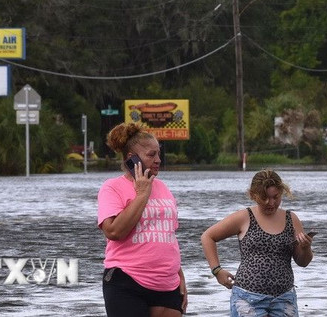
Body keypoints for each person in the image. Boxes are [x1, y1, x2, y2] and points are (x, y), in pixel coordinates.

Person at [97, 122, 188, 316]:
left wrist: (179, 275)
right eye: (151, 155)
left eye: (159, 154)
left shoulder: (163, 188)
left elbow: (168, 236)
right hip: (127, 281)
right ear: (132, 158)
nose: (158, 160)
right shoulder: (112, 187)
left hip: (167, 284)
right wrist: (142, 194)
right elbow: (113, 231)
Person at [201, 169, 314, 316]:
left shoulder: (291, 219)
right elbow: (208, 237)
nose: (271, 203)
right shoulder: (244, 217)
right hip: (247, 298)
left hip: (284, 298)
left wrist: (306, 248)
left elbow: (303, 262)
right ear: (253, 195)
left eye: (275, 197)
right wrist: (217, 271)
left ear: (281, 193)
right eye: (264, 198)